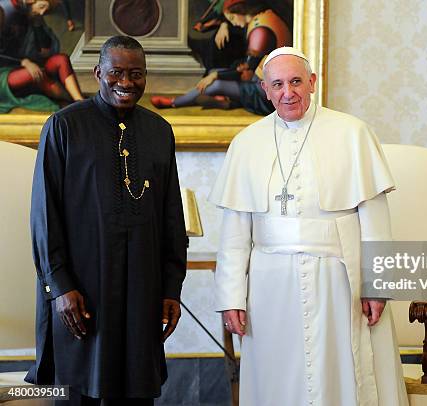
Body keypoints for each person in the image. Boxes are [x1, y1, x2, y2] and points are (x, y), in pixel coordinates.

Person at [209, 46, 409, 406]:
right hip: (269, 288)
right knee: (277, 378)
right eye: (278, 84)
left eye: (297, 81)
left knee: (339, 375)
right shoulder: (246, 144)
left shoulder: (352, 133)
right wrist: (230, 297)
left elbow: (376, 220)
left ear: (313, 82)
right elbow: (236, 234)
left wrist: (376, 286)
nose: (288, 93)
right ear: (266, 91)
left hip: (337, 280)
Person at [26, 35, 187, 406]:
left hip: (141, 293)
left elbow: (171, 217)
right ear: (98, 73)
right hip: (80, 297)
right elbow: (44, 216)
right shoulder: (64, 127)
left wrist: (171, 287)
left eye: (136, 74)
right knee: (78, 391)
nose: (126, 83)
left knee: (135, 391)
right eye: (116, 73)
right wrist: (60, 287)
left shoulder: (159, 131)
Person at [151, 0, 291, 115]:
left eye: (231, 18)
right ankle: (229, 101)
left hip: (266, 94)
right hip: (262, 81)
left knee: (215, 83)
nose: (232, 23)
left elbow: (246, 70)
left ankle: (173, 102)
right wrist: (224, 24)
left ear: (241, 10)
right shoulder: (263, 18)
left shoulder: (260, 31)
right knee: (215, 74)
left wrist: (216, 76)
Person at [0, 0, 84, 113]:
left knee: (61, 59)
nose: (43, 12)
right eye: (42, 6)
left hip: (33, 63)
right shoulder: (11, 15)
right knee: (36, 74)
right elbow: (6, 53)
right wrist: (24, 62)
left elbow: (46, 49)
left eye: (46, 9)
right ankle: (70, 103)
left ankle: (79, 100)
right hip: (6, 71)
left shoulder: (34, 17)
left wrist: (37, 25)